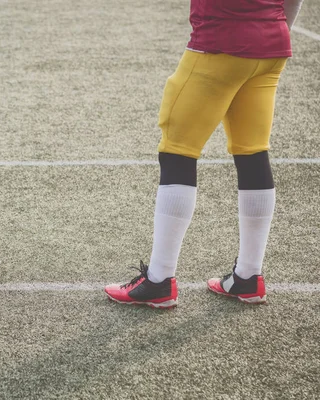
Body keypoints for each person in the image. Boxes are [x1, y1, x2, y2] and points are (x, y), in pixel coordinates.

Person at [105, 0, 305, 308]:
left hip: (220, 41)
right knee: (253, 152)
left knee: (177, 151)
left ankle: (159, 280)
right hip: (271, 44)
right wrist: (275, 27)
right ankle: (249, 277)